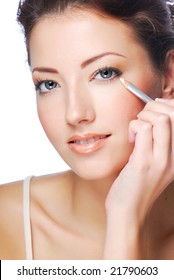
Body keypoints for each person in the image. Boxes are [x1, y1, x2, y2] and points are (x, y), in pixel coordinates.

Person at [0, 0, 174, 260]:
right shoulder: (6, 222)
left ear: (169, 75)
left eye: (104, 73)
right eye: (48, 83)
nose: (74, 114)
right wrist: (124, 218)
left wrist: (125, 215)